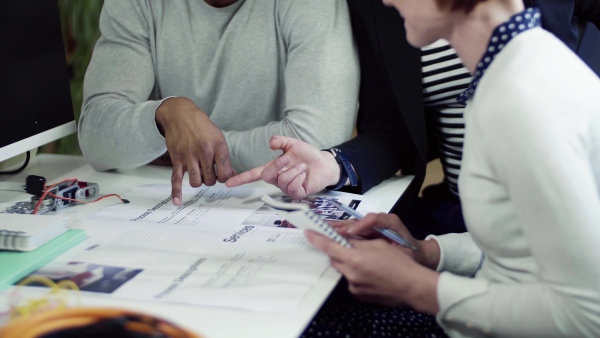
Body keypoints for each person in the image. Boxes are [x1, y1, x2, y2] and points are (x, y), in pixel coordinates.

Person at [303, 0, 600, 336]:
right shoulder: (513, 67)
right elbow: (523, 249)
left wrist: (418, 287)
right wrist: (429, 253)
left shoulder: (523, 98)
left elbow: (586, 315)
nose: (385, 1)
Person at [226, 0, 600, 240]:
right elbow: (392, 132)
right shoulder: (376, 9)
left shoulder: (542, 78)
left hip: (557, 208)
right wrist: (333, 163)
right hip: (461, 213)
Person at [78, 0, 359, 206]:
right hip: (163, 208)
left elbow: (315, 143)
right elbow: (95, 135)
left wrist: (184, 147)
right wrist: (166, 115)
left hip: (279, 205)